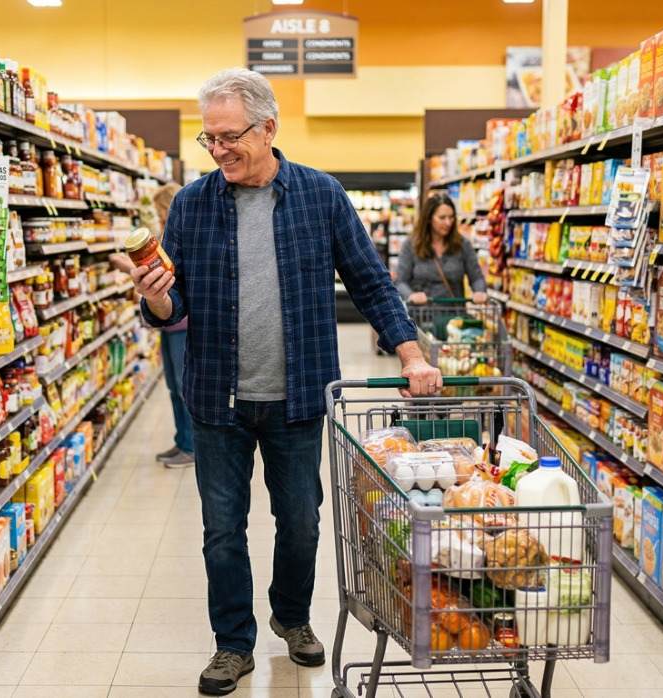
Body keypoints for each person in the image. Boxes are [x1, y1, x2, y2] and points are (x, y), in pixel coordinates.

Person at [130, 67, 441, 696]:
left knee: (301, 520)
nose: (218, 151)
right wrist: (157, 300)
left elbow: (371, 281)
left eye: (230, 137)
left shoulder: (320, 195)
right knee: (223, 529)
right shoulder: (192, 204)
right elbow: (174, 307)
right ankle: (233, 643)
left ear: (268, 128)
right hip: (217, 397)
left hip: (299, 395)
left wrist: (411, 354)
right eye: (208, 140)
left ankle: (293, 617)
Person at [110, 183, 193, 468]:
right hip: (167, 326)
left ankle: (192, 446)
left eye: (160, 212)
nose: (158, 219)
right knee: (173, 385)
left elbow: (171, 279)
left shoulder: (181, 238)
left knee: (185, 387)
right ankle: (182, 440)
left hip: (183, 324)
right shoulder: (160, 241)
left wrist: (126, 268)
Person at [395, 193, 488, 306]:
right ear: (429, 218)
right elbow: (400, 281)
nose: (448, 222)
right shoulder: (411, 245)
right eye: (442, 218)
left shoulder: (463, 244)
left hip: (454, 317)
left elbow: (476, 277)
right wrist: (410, 295)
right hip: (421, 316)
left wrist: (479, 291)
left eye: (451, 217)